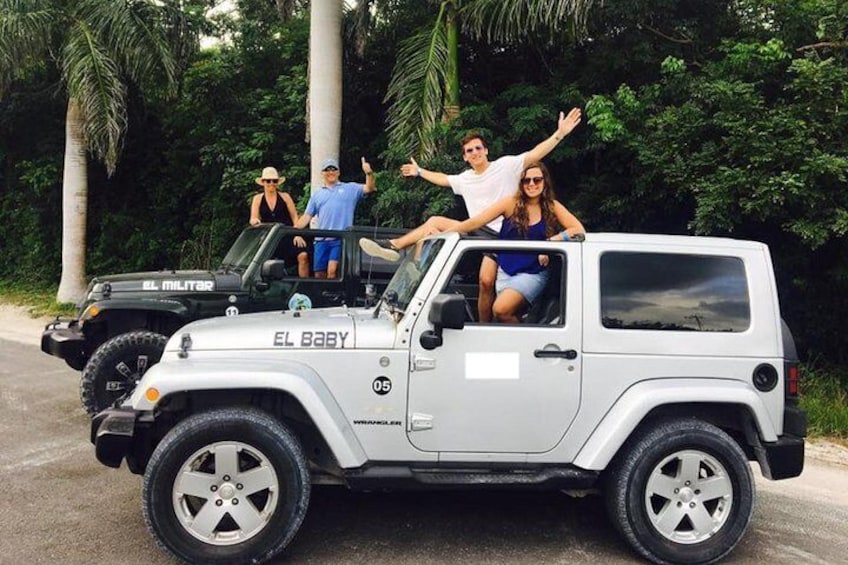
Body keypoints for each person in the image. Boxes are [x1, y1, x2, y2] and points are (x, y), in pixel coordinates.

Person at [360, 108, 581, 321]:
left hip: (503, 233)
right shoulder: (464, 178)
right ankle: (395, 247)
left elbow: (535, 154)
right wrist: (419, 172)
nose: (474, 153)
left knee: (485, 281)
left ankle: (485, 327)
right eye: (469, 151)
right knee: (434, 223)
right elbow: (443, 179)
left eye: (478, 148)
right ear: (465, 157)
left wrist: (559, 134)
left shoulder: (505, 166)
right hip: (477, 228)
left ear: (486, 151)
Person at [293, 157, 376, 278]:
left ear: (338, 172)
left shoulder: (350, 188)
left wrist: (369, 173)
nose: (330, 172)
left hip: (340, 239)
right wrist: (295, 232)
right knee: (319, 274)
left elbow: (369, 188)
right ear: (322, 173)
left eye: (333, 169)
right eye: (327, 170)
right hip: (321, 240)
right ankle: (320, 296)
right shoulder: (317, 195)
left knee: (332, 271)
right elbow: (307, 216)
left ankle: (331, 296)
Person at [249, 166, 310, 277]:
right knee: (263, 262)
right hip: (270, 238)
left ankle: (303, 288)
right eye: (268, 181)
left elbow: (295, 218)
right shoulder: (257, 198)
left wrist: (297, 234)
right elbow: (253, 218)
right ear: (263, 182)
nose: (271, 183)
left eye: (274, 181)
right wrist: (255, 221)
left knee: (303, 255)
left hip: (288, 235)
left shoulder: (285, 197)